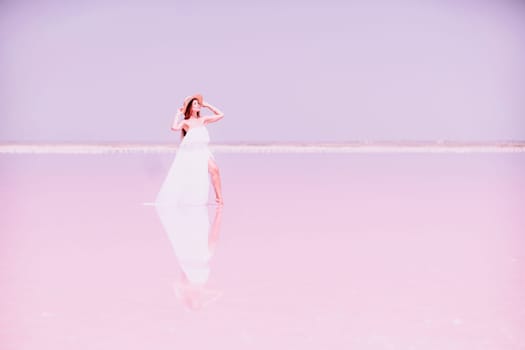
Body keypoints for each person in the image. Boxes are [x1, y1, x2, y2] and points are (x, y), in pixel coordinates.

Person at [156, 93, 224, 206]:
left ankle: (219, 199)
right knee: (190, 177)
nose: (198, 106)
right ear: (190, 108)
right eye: (195, 104)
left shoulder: (203, 120)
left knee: (215, 170)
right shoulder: (186, 122)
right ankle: (188, 199)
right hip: (192, 153)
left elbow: (221, 115)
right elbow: (174, 127)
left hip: (203, 151)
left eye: (198, 104)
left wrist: (207, 105)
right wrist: (177, 114)